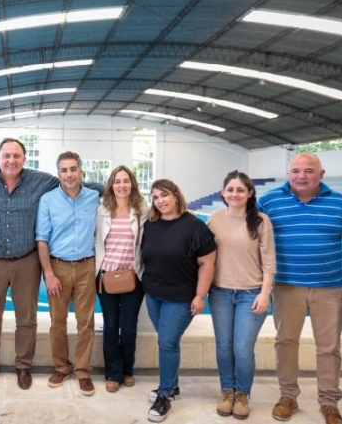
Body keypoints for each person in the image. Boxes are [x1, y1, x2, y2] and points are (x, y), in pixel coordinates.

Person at [257, 153, 342, 424]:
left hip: (330, 288)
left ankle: (329, 402)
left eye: (309, 171)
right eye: (296, 170)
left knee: (329, 347)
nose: (302, 176)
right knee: (286, 342)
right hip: (288, 286)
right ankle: (288, 395)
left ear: (321, 175)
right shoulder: (268, 202)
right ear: (288, 173)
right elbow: (252, 234)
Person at [0, 138, 61, 390]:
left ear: (24, 159)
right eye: (6, 155)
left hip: (26, 261)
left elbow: (71, 182)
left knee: (27, 318)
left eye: (16, 156)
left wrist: (113, 189)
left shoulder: (41, 181)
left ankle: (23, 366)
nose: (11, 160)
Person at [142, 179, 216, 422]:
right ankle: (172, 386)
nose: (160, 201)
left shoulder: (195, 226)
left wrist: (200, 295)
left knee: (168, 342)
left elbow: (207, 263)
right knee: (166, 341)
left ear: (175, 195)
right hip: (154, 293)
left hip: (181, 297)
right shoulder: (151, 225)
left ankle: (164, 395)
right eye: (155, 197)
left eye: (164, 195)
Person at [207, 171, 276, 419]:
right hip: (220, 292)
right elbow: (202, 253)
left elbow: (269, 261)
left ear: (249, 193)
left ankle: (243, 394)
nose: (235, 194)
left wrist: (265, 293)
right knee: (224, 346)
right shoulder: (214, 218)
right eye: (230, 190)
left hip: (251, 292)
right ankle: (228, 390)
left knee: (243, 348)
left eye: (240, 190)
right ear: (223, 193)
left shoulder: (260, 221)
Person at [36, 151, 100, 396]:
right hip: (58, 266)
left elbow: (128, 203)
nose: (69, 174)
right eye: (64, 170)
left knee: (86, 323)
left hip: (86, 266)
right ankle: (62, 367)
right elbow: (42, 239)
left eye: (73, 169)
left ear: (81, 172)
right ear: (58, 173)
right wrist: (49, 274)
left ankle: (83, 371)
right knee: (57, 323)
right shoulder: (48, 200)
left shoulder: (95, 197)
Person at [95, 166, 148, 394]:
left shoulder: (142, 210)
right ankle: (113, 373)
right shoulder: (102, 210)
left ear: (132, 184)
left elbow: (166, 217)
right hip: (107, 276)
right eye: (118, 181)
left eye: (126, 181)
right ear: (111, 185)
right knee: (110, 326)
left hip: (133, 277)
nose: (122, 185)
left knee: (128, 328)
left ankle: (127, 370)